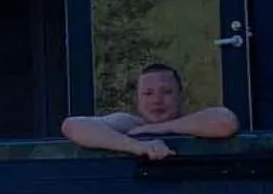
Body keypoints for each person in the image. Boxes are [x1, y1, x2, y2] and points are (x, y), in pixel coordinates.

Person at [60, 62, 238, 158]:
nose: (157, 100)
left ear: (181, 96)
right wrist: (137, 146)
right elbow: (73, 126)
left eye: (166, 92)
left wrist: (155, 129)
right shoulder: (129, 124)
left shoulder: (194, 122)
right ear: (137, 99)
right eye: (148, 93)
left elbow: (226, 121)